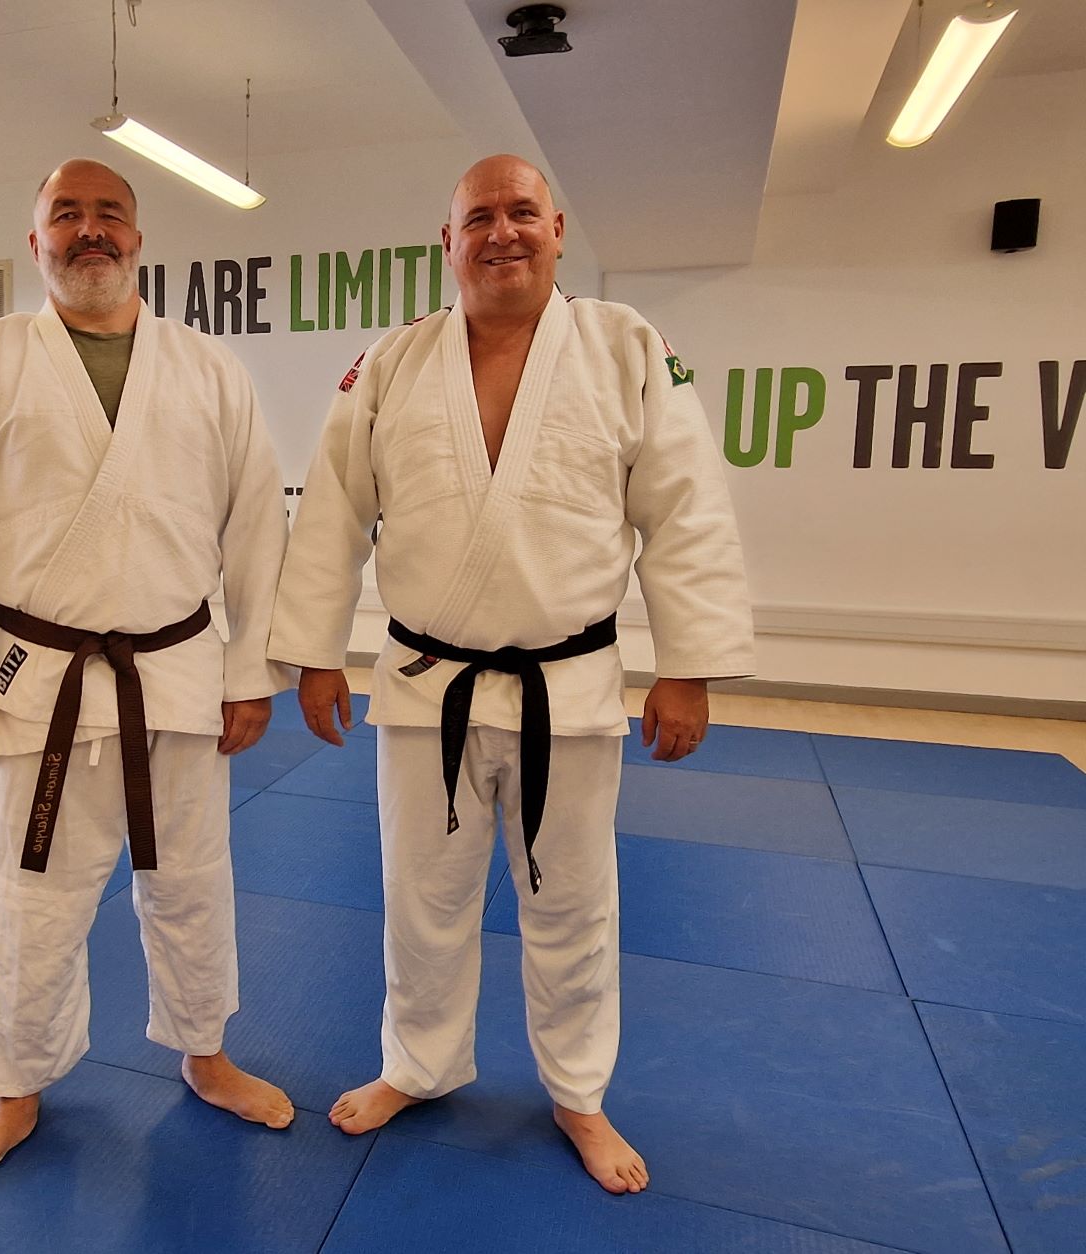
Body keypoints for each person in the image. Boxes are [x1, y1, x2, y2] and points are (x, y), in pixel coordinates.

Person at [269, 154, 754, 1194]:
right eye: (477, 216)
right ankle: (420, 1065)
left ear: (559, 228)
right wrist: (314, 654)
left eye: (521, 212)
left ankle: (577, 1092)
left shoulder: (626, 348)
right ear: (446, 241)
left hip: (568, 689)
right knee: (421, 898)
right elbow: (332, 519)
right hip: (422, 683)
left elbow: (685, 511)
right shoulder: (391, 364)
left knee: (572, 903)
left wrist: (689, 664)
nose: (502, 233)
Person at [0, 158, 296, 1185]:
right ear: (35, 244)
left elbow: (257, 527)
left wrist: (252, 667)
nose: (88, 232)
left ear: (139, 238)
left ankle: (205, 1056)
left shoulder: (209, 370)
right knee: (31, 891)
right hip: (42, 674)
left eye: (108, 215)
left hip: (178, 672)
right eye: (64, 216)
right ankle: (16, 1085)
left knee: (192, 882)